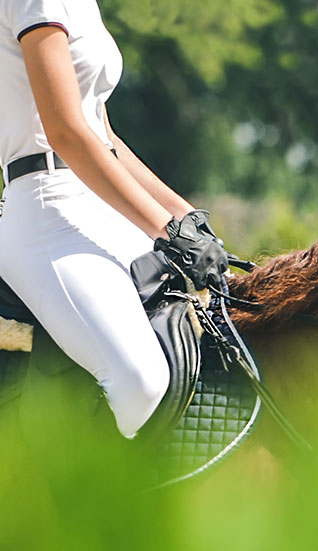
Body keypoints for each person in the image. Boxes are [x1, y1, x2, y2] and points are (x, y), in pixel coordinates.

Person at [0, 0, 228, 438]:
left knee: (214, 330)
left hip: (102, 202)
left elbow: (106, 140)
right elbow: (65, 132)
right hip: (47, 210)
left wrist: (186, 219)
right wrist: (166, 231)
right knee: (139, 381)